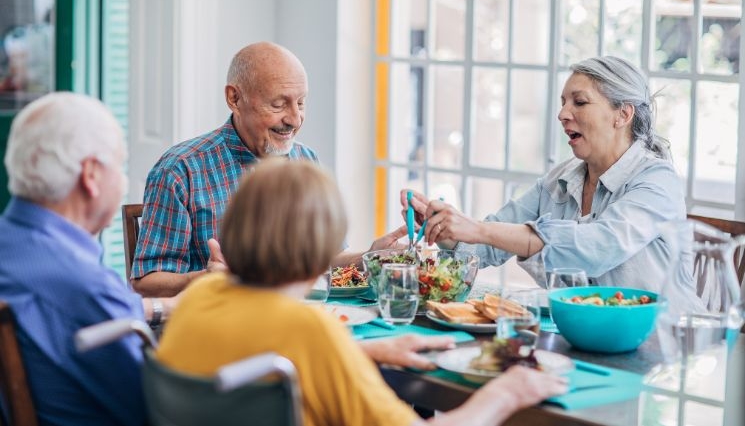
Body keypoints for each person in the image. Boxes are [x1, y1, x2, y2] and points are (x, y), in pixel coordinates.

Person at [157, 158, 567, 426]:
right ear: (323, 247)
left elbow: (264, 357)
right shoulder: (307, 328)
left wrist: (361, 351)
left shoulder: (201, 295)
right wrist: (505, 393)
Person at [132, 41, 405, 297]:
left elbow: (323, 271)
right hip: (220, 329)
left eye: (301, 103)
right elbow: (144, 284)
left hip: (296, 324)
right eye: (278, 104)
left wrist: (368, 261)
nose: (295, 119)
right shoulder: (180, 170)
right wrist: (206, 279)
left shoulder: (306, 161)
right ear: (234, 98)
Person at [405, 56, 686, 292]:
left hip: (662, 343)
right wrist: (442, 227)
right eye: (564, 102)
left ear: (623, 114)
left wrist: (478, 229)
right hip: (579, 335)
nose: (563, 113)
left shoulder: (657, 180)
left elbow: (596, 247)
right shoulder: (560, 179)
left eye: (580, 102)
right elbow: (487, 245)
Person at [0, 92, 178, 426]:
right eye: (121, 165)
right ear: (91, 175)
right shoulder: (85, 288)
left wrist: (166, 306)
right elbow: (157, 412)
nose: (124, 181)